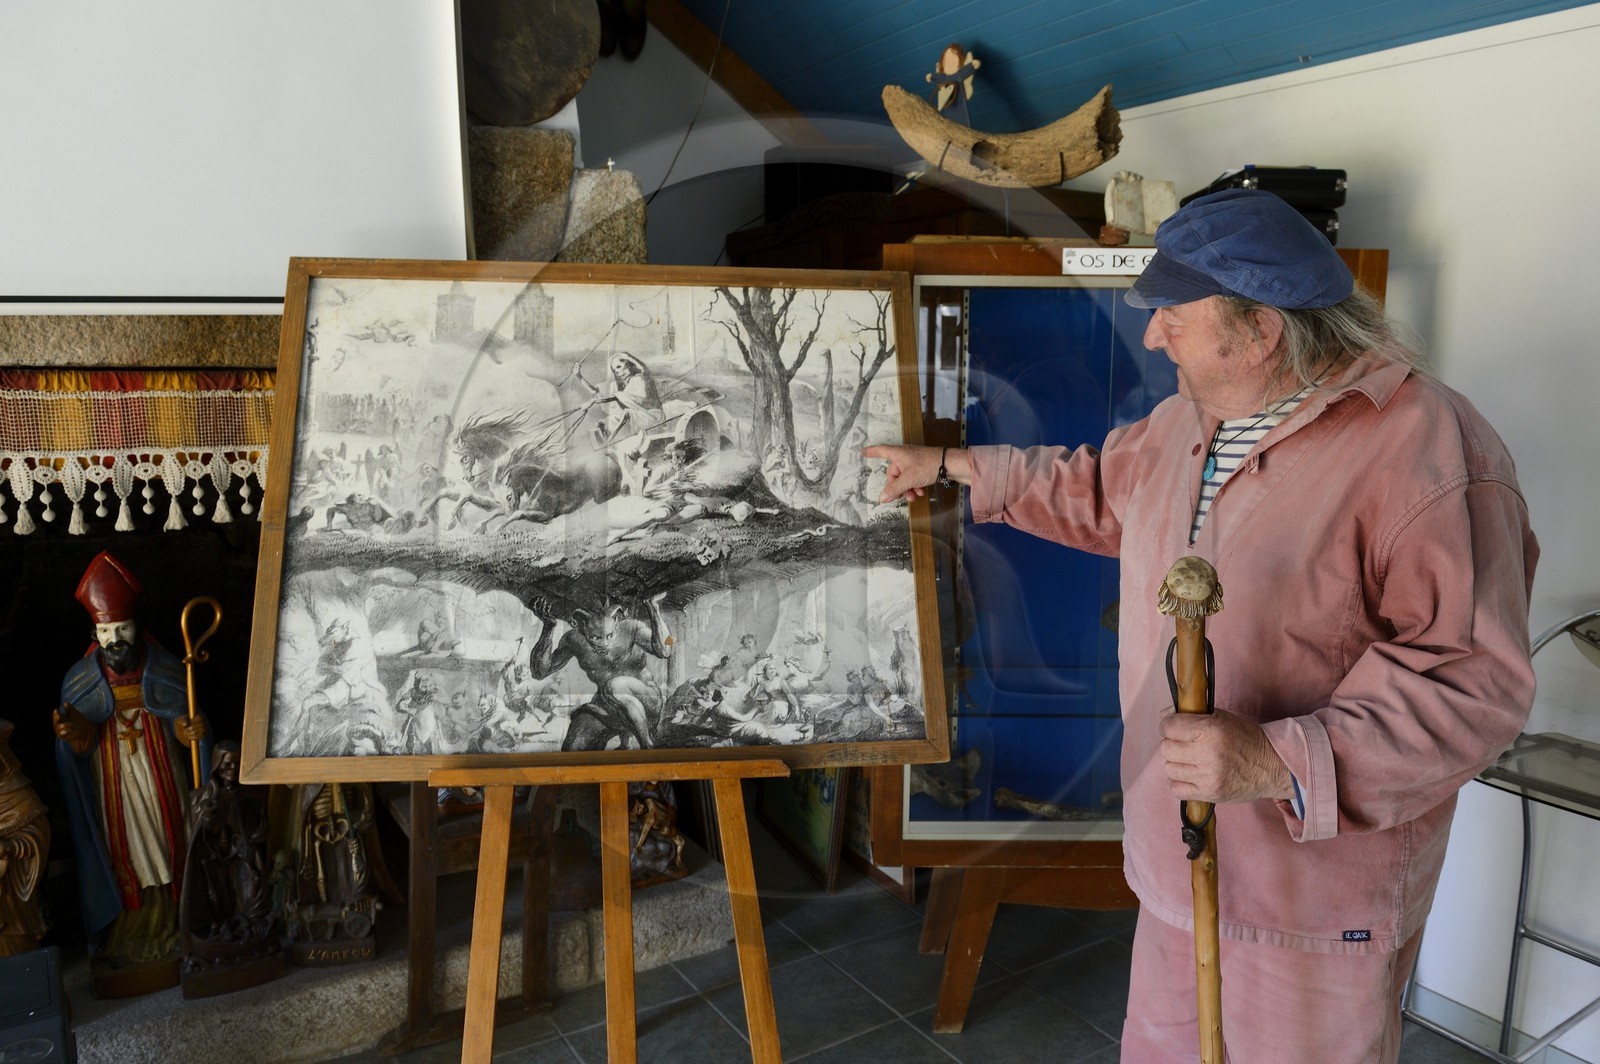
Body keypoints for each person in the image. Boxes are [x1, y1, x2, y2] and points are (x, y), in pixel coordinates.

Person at [865, 189, 1538, 1063]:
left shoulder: (1430, 450)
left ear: (1259, 328)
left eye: (1172, 317)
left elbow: (1472, 686)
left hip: (1310, 907)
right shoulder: (1192, 419)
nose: (1151, 337)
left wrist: (1277, 759)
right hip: (1178, 873)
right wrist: (951, 465)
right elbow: (1100, 490)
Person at [54, 551, 212, 987]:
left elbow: (185, 724)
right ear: (96, 632)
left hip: (161, 768)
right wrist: (73, 733)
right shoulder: (80, 679)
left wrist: (188, 728)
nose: (116, 638)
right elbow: (78, 744)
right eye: (107, 631)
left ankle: (178, 918)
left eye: (122, 628)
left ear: (135, 627)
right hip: (114, 782)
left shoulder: (163, 668)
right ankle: (130, 928)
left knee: (166, 839)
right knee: (127, 850)